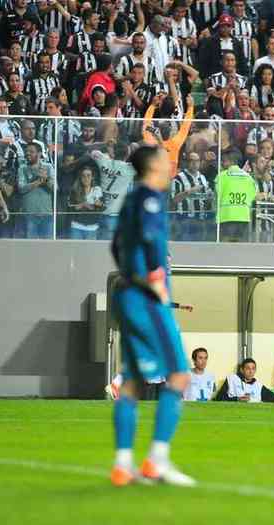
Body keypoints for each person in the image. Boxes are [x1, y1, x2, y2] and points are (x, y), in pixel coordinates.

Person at [109, 144, 195, 487]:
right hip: (146, 298)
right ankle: (157, 461)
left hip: (127, 294)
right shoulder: (150, 199)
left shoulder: (130, 200)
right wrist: (153, 280)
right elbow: (147, 239)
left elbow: (116, 246)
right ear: (153, 166)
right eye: (165, 158)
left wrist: (132, 276)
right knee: (179, 376)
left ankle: (122, 465)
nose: (171, 163)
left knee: (131, 382)